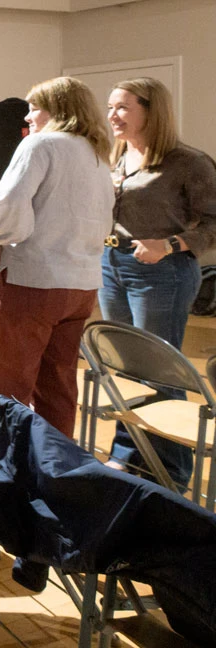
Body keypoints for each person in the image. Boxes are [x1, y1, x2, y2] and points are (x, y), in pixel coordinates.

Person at [0, 76, 114, 438]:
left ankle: (7, 477)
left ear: (59, 109)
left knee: (5, 387)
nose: (29, 116)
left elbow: (9, 218)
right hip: (81, 285)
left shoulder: (41, 145)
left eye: (35, 107)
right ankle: (56, 473)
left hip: (32, 281)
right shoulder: (96, 151)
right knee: (58, 386)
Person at [99, 77, 216, 487]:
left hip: (163, 274)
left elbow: (214, 224)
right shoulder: (116, 156)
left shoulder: (188, 162)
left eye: (123, 107)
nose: (112, 115)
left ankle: (171, 470)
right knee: (126, 365)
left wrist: (170, 243)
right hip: (112, 264)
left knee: (159, 371)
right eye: (111, 106)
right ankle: (131, 454)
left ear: (152, 111)